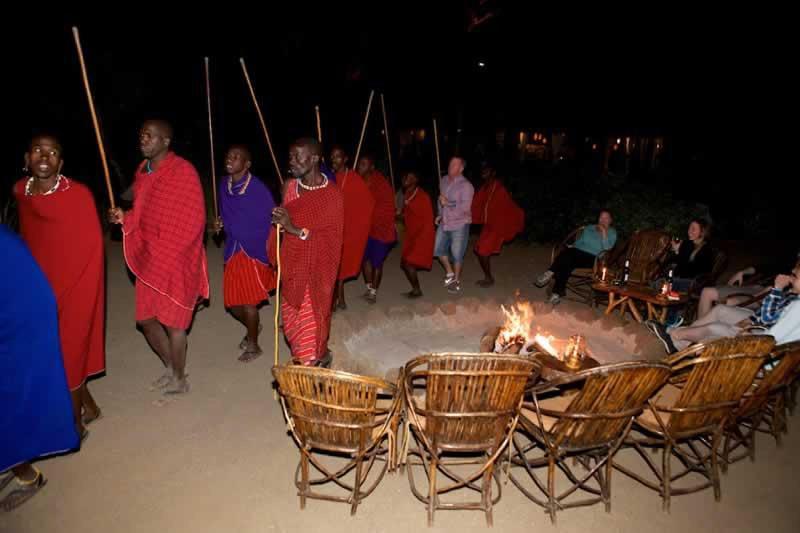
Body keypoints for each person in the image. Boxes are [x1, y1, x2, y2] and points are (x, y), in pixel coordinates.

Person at [14, 135, 105, 439]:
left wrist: (75, 288)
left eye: (52, 152)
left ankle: (74, 426)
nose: (44, 156)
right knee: (52, 352)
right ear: (26, 159)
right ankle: (90, 408)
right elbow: (30, 238)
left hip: (78, 285)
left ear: (61, 163)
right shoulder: (20, 191)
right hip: (39, 288)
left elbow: (93, 248)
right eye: (38, 150)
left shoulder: (78, 195)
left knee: (70, 351)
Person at [108, 120, 208, 395]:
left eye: (150, 136)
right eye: (142, 134)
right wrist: (124, 217)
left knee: (174, 323)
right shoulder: (143, 170)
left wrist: (172, 252)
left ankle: (180, 379)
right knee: (145, 320)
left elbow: (195, 219)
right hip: (149, 256)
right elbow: (142, 212)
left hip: (176, 258)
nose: (144, 139)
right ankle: (171, 367)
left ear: (166, 141)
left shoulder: (183, 171)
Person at [1, 225, 78, 512]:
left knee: (10, 402)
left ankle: (27, 475)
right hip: (13, 313)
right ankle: (14, 463)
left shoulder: (5, 245)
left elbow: (35, 292)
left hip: (19, 318)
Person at [269, 138, 344, 367]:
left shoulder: (332, 196)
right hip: (292, 266)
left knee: (309, 335)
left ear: (314, 159)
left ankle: (308, 369)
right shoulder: (290, 187)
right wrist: (279, 224)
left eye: (297, 156)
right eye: (290, 156)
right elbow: (283, 224)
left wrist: (293, 228)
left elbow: (332, 241)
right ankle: (321, 355)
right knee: (293, 326)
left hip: (316, 272)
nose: (291, 161)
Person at [212, 145, 276, 363]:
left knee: (249, 302)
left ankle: (253, 345)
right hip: (233, 248)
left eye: (236, 157)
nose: (230, 159)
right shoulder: (224, 185)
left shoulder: (258, 189)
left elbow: (270, 219)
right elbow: (227, 214)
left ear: (247, 164)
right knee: (232, 303)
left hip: (253, 251)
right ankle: (253, 326)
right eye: (228, 155)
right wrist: (221, 223)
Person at [647, 264, 800, 353]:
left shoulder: (796, 306)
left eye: (796, 275)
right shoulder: (792, 295)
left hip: (761, 339)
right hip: (759, 325)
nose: (792, 274)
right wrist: (750, 320)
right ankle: (676, 340)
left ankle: (674, 335)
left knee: (715, 327)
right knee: (720, 310)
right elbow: (768, 314)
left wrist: (777, 289)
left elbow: (768, 320)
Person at [535, 209, 617, 304]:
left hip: (593, 259)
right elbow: (579, 242)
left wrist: (604, 233)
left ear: (610, 220)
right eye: (601, 217)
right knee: (567, 259)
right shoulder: (589, 228)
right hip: (577, 253)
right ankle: (556, 294)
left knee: (567, 257)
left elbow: (607, 248)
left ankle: (550, 272)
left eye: (606, 218)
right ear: (598, 219)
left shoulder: (612, 233)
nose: (603, 220)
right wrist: (572, 246)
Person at [329, 146, 374, 310]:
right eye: (332, 156)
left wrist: (352, 219)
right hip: (332, 229)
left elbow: (368, 203)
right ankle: (339, 299)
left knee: (340, 265)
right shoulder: (329, 177)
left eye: (338, 156)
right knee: (334, 265)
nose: (334, 159)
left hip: (348, 229)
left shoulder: (353, 178)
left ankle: (338, 300)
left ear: (345, 159)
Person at [697, 249, 800, 319]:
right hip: (757, 287)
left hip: (768, 296)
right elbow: (763, 267)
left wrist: (775, 289)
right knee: (707, 291)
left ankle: (705, 337)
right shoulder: (791, 258)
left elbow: (791, 294)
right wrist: (742, 272)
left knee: (729, 302)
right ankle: (698, 330)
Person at [471, 161, 524, 287]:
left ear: (493, 173)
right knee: (479, 249)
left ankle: (489, 278)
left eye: (487, 169)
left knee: (483, 251)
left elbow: (506, 207)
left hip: (497, 226)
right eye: (483, 169)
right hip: (488, 225)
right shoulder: (485, 187)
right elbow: (477, 205)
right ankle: (488, 277)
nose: (484, 171)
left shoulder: (499, 189)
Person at [357, 154, 396, 303]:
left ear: (371, 167)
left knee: (377, 262)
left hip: (381, 230)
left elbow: (386, 208)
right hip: (365, 229)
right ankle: (369, 287)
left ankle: (373, 292)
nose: (360, 167)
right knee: (363, 259)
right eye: (360, 163)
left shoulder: (381, 184)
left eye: (364, 164)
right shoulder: (357, 181)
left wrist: (368, 215)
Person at [434, 156, 474, 294]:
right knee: (437, 250)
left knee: (457, 254)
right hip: (445, 222)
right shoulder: (443, 180)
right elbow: (440, 200)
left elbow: (465, 208)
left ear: (461, 168)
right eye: (450, 163)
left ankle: (456, 281)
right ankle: (450, 273)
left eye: (454, 164)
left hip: (460, 223)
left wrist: (448, 203)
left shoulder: (466, 186)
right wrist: (440, 214)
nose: (451, 166)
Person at [399, 170, 435, 298]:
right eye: (405, 176)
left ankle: (417, 290)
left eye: (409, 177)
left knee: (407, 263)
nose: (405, 179)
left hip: (422, 234)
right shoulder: (408, 193)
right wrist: (400, 214)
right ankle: (416, 289)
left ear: (416, 180)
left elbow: (426, 217)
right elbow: (408, 214)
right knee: (404, 262)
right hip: (412, 234)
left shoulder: (422, 196)